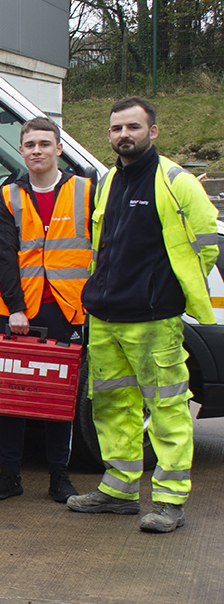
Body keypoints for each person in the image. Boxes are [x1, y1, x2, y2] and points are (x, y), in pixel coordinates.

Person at [68, 96, 218, 533]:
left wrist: (169, 289)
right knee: (113, 405)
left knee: (167, 407)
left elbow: (206, 242)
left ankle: (170, 502)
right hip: (106, 315)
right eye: (116, 129)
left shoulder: (175, 181)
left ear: (152, 131)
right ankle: (118, 491)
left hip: (153, 319)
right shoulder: (109, 180)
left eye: (132, 127)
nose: (123, 135)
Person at [0, 118, 92, 503]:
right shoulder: (8, 195)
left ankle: (58, 476)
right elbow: (6, 257)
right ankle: (9, 474)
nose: (36, 151)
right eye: (29, 144)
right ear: (22, 150)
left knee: (58, 398)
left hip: (66, 310)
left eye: (44, 144)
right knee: (9, 395)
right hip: (18, 312)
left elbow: (101, 247)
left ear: (59, 149)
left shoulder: (85, 191)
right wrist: (15, 309)